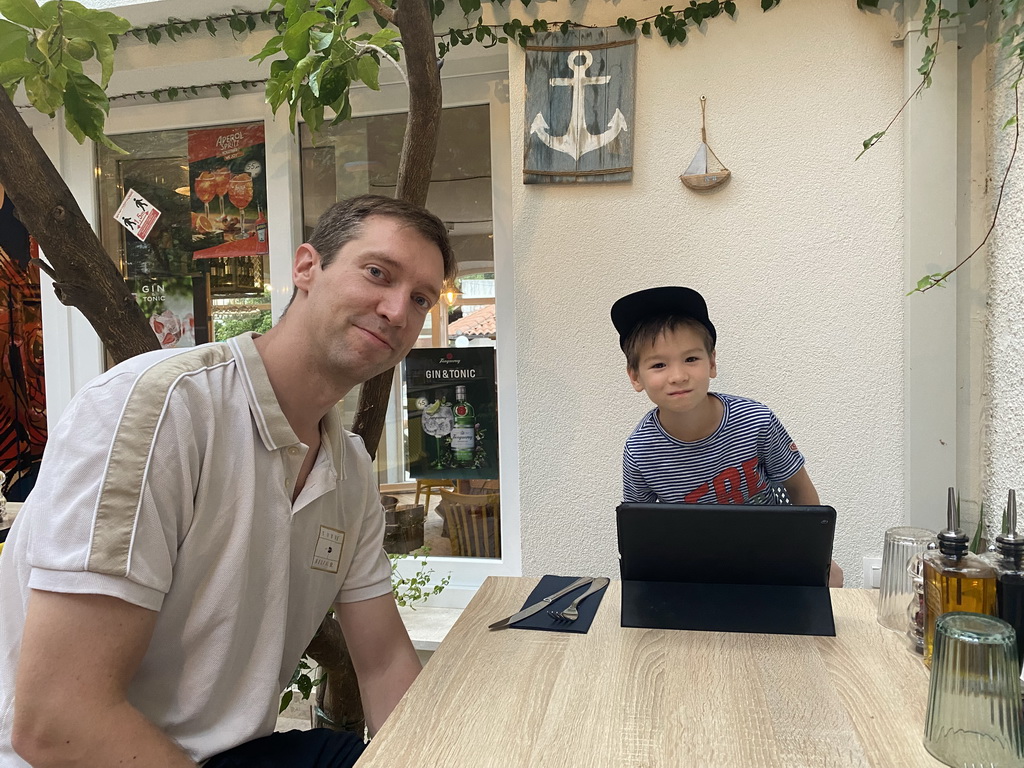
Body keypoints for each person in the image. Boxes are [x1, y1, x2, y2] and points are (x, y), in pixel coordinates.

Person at [0, 194, 456, 768]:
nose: (397, 310)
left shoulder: (350, 471)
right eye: (377, 273)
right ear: (307, 268)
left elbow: (386, 660)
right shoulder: (160, 410)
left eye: (420, 299)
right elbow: (58, 722)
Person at [611, 286, 843, 587]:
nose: (678, 376)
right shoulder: (640, 452)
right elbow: (639, 535)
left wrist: (816, 559)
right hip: (695, 571)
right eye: (658, 364)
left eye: (691, 359)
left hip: (773, 555)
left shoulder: (756, 421)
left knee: (833, 578)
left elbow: (800, 489)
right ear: (635, 377)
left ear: (712, 363)